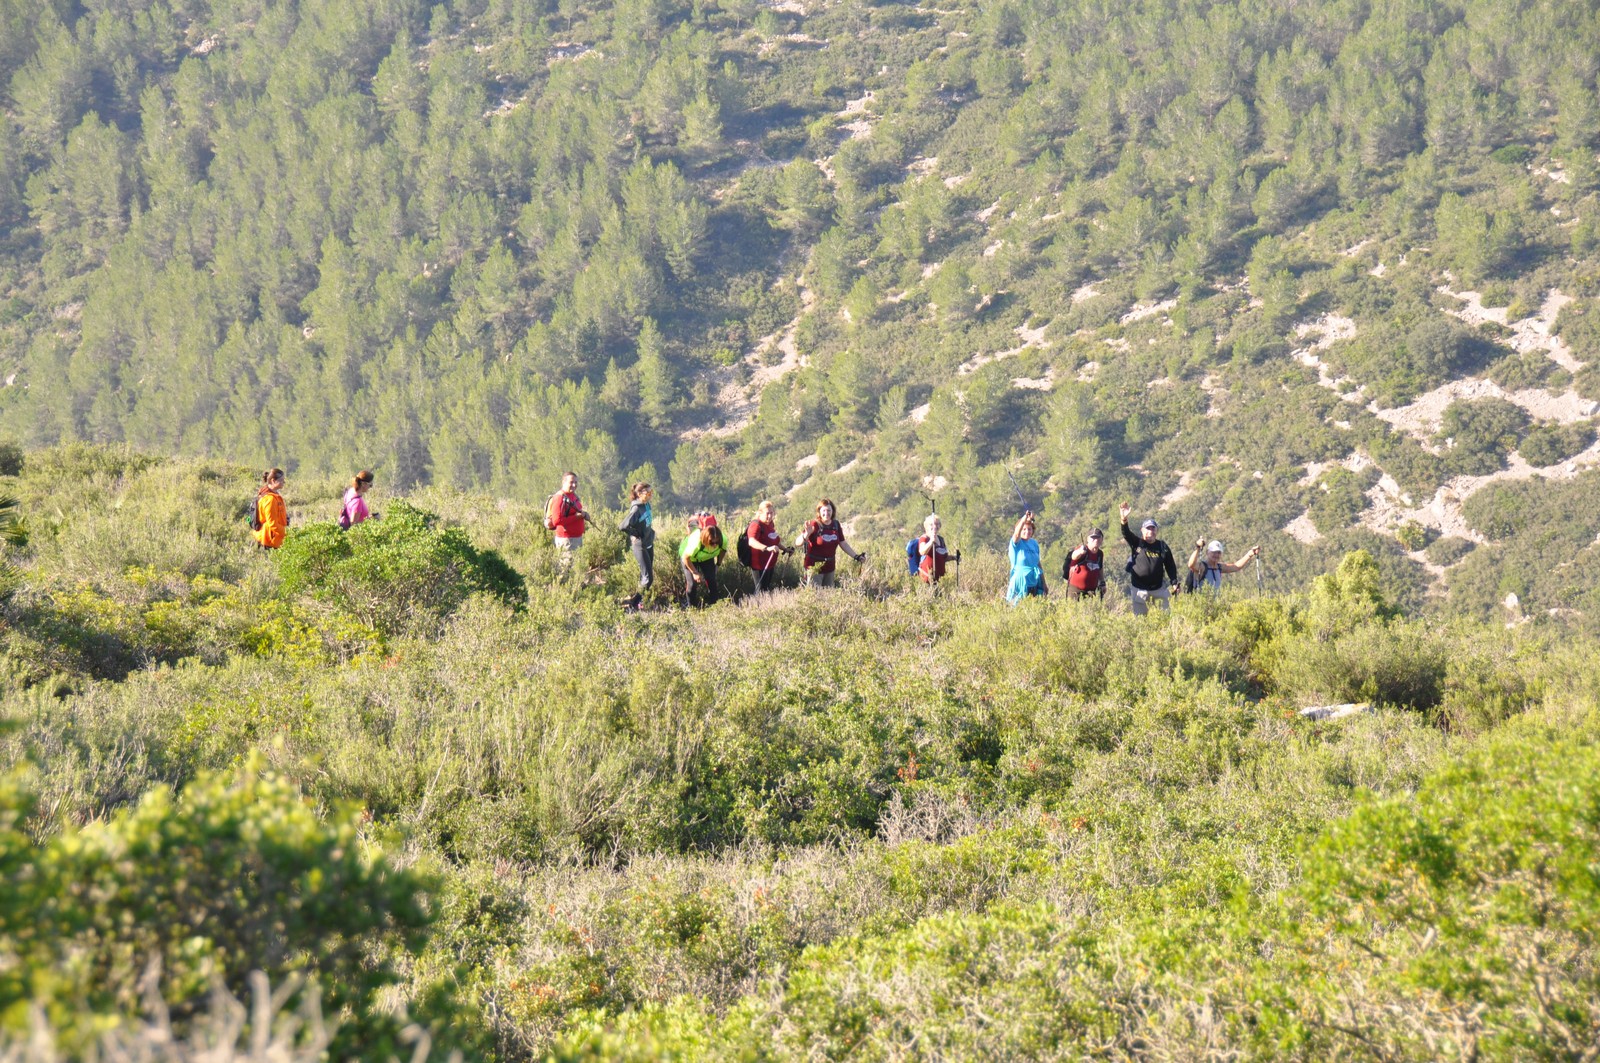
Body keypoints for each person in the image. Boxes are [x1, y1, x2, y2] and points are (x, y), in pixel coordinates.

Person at [1119, 502, 1180, 614]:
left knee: (1165, 617)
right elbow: (1126, 533)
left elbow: (1170, 565)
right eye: (1148, 528)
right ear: (1142, 530)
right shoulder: (1137, 543)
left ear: (1156, 531)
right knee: (1141, 620)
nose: (1150, 531)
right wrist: (1124, 519)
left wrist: (1174, 582)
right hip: (1139, 589)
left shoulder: (1162, 546)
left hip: (1158, 589)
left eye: (1153, 528)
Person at [796, 498, 865, 588]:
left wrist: (856, 556)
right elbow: (798, 543)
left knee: (828, 594)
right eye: (824, 510)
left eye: (829, 510)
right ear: (819, 512)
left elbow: (843, 543)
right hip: (814, 567)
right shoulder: (814, 524)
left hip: (830, 568)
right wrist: (806, 534)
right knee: (814, 594)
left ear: (833, 511)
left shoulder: (836, 525)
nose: (826, 513)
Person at [544, 471, 591, 568]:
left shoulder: (572, 495)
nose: (574, 485)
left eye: (576, 482)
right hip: (566, 540)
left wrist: (584, 514)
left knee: (576, 568)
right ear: (564, 482)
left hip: (576, 539)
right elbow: (556, 521)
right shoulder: (559, 498)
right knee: (566, 569)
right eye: (571, 482)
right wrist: (576, 517)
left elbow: (575, 511)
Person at [620, 482, 655, 610]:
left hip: (648, 542)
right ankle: (634, 602)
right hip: (640, 545)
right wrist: (635, 533)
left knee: (644, 576)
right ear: (639, 494)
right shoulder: (636, 509)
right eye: (648, 493)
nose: (650, 495)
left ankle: (641, 601)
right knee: (648, 578)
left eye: (651, 492)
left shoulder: (647, 504)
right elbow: (623, 526)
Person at [679, 511, 725, 608]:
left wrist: (718, 565)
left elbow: (723, 551)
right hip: (690, 558)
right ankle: (692, 608)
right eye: (711, 543)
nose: (715, 545)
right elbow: (685, 558)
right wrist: (695, 572)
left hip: (706, 557)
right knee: (692, 584)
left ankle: (715, 606)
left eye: (717, 542)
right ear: (705, 539)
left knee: (711, 579)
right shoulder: (696, 541)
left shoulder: (723, 540)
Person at [1186, 537, 1261, 597]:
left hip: (1215, 607)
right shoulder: (1202, 567)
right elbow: (1191, 564)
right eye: (1214, 552)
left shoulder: (1219, 567)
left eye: (1218, 552)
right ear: (1207, 552)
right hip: (1200, 606)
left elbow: (1236, 567)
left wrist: (1250, 554)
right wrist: (1198, 548)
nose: (1216, 555)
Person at [746, 499, 790, 592]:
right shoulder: (756, 525)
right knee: (760, 591)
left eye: (771, 513)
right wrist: (767, 548)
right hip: (759, 565)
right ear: (760, 513)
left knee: (765, 590)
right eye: (767, 513)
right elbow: (751, 541)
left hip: (770, 563)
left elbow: (774, 541)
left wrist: (785, 549)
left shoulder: (770, 524)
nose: (770, 516)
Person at [1005, 510, 1047, 603]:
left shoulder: (1034, 543)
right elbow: (1016, 534)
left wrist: (1044, 583)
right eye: (1024, 529)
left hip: (1034, 581)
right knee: (1017, 606)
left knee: (1033, 606)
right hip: (1020, 581)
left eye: (1029, 529)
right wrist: (1024, 518)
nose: (1027, 531)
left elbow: (1038, 563)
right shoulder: (1016, 543)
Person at [1064, 527, 1107, 601]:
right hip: (1076, 591)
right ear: (1088, 539)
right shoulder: (1082, 549)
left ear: (1101, 539)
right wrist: (1080, 552)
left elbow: (1100, 568)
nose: (1095, 540)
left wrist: (1102, 583)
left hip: (1092, 592)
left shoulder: (1100, 554)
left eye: (1098, 537)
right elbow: (1074, 556)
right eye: (1093, 538)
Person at [916, 513, 955, 590]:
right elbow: (922, 551)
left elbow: (943, 557)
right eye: (931, 524)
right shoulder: (924, 538)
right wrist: (931, 541)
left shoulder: (941, 539)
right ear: (926, 526)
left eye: (937, 524)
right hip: (927, 580)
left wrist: (954, 557)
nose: (935, 526)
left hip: (941, 581)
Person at [253, 468, 287, 550]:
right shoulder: (270, 499)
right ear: (273, 481)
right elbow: (272, 524)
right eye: (281, 480)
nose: (284, 482)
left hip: (270, 539)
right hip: (269, 540)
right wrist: (286, 533)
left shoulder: (269, 495)